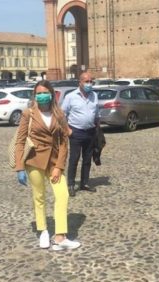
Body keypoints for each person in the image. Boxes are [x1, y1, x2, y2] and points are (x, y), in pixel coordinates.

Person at [14, 80, 81, 251]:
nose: (42, 95)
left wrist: (59, 166)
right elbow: (20, 142)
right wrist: (20, 167)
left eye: (45, 92)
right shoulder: (28, 114)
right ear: (35, 95)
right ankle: (43, 230)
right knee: (39, 197)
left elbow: (64, 142)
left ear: (51, 94)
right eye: (39, 93)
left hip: (53, 162)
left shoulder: (59, 114)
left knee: (62, 195)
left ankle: (60, 236)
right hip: (34, 161)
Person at [61, 72, 100, 197]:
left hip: (90, 131)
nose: (89, 84)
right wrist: (68, 130)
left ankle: (84, 183)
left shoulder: (94, 95)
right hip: (76, 132)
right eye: (86, 81)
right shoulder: (71, 97)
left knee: (87, 159)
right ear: (80, 83)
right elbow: (62, 115)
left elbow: (96, 113)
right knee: (74, 159)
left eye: (91, 81)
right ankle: (71, 184)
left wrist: (98, 129)